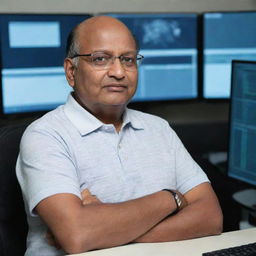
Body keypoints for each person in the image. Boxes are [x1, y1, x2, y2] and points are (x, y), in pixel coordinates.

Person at [16, 16, 223, 256]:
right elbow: (79, 235)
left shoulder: (159, 129)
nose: (118, 72)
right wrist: (172, 199)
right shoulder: (45, 135)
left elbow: (210, 217)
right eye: (100, 59)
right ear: (71, 71)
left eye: (128, 60)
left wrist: (105, 231)